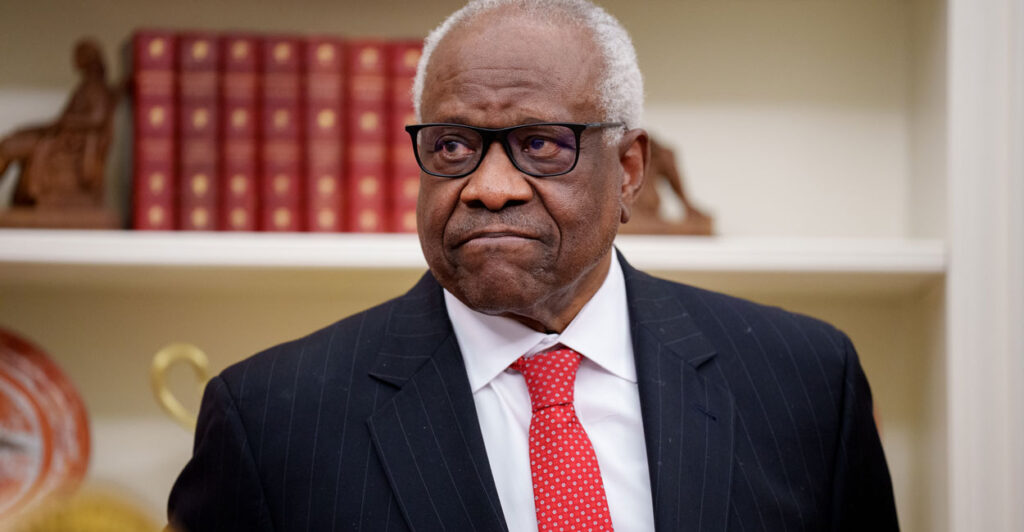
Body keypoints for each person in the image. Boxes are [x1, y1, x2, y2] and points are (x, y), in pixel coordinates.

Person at [168, 1, 899, 530]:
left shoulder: (805, 383)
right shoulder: (269, 420)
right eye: (453, 145)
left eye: (542, 144)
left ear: (629, 170)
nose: (489, 187)